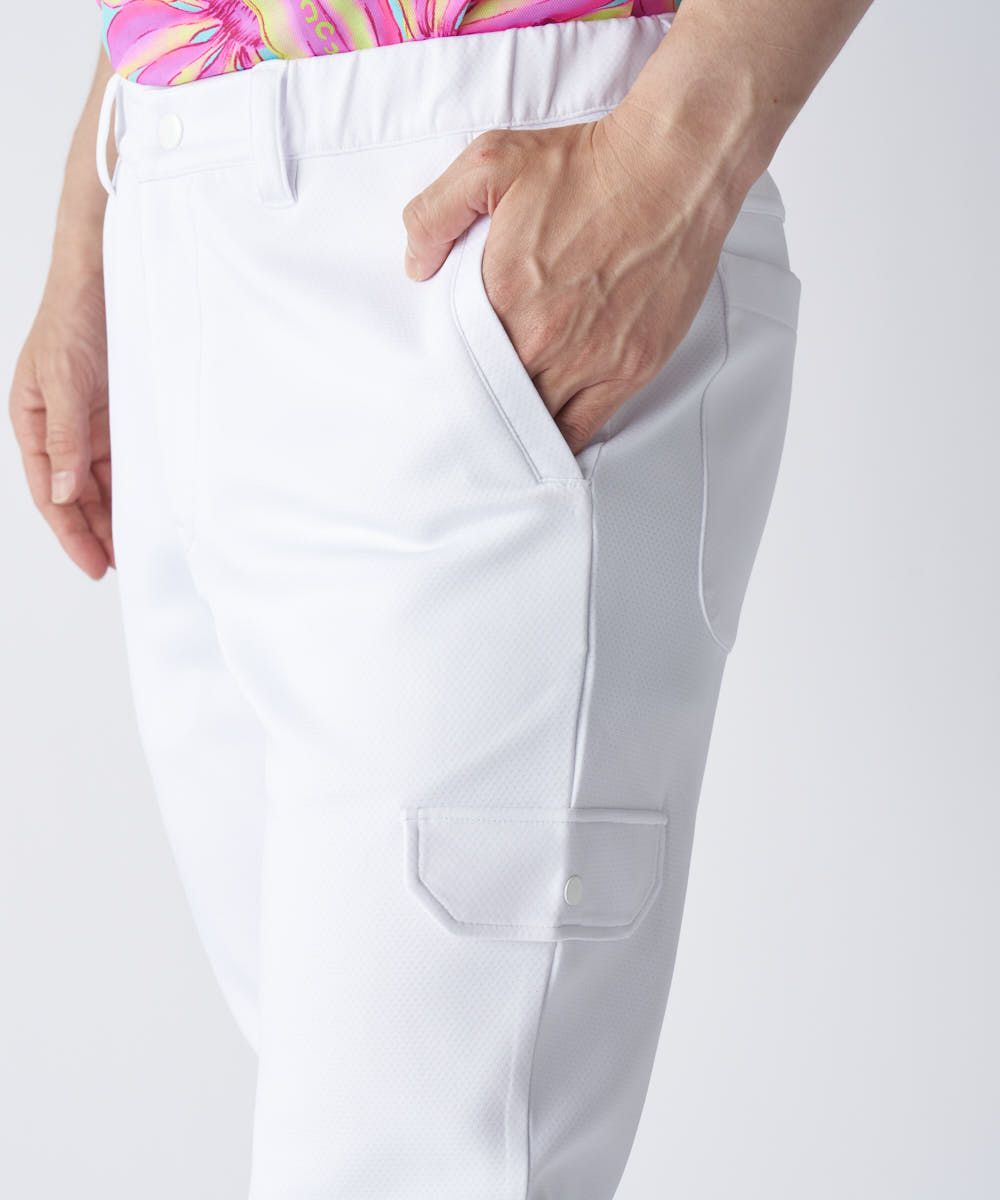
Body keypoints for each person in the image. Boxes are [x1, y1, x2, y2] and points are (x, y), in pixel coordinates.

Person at [9, 2, 871, 1196]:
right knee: (346, 1112)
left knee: (412, 1162)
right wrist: (90, 219)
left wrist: (674, 156)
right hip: (173, 190)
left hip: (486, 190)